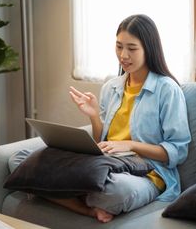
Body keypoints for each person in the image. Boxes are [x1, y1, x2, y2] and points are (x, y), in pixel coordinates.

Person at [48, 14, 191, 223]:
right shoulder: (111, 87)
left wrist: (130, 145)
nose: (123, 55)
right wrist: (94, 116)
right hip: (109, 164)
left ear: (148, 49)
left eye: (132, 48)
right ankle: (88, 209)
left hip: (148, 174)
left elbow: (177, 151)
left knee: (114, 190)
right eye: (119, 46)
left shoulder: (167, 90)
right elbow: (101, 142)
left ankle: (60, 194)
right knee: (22, 160)